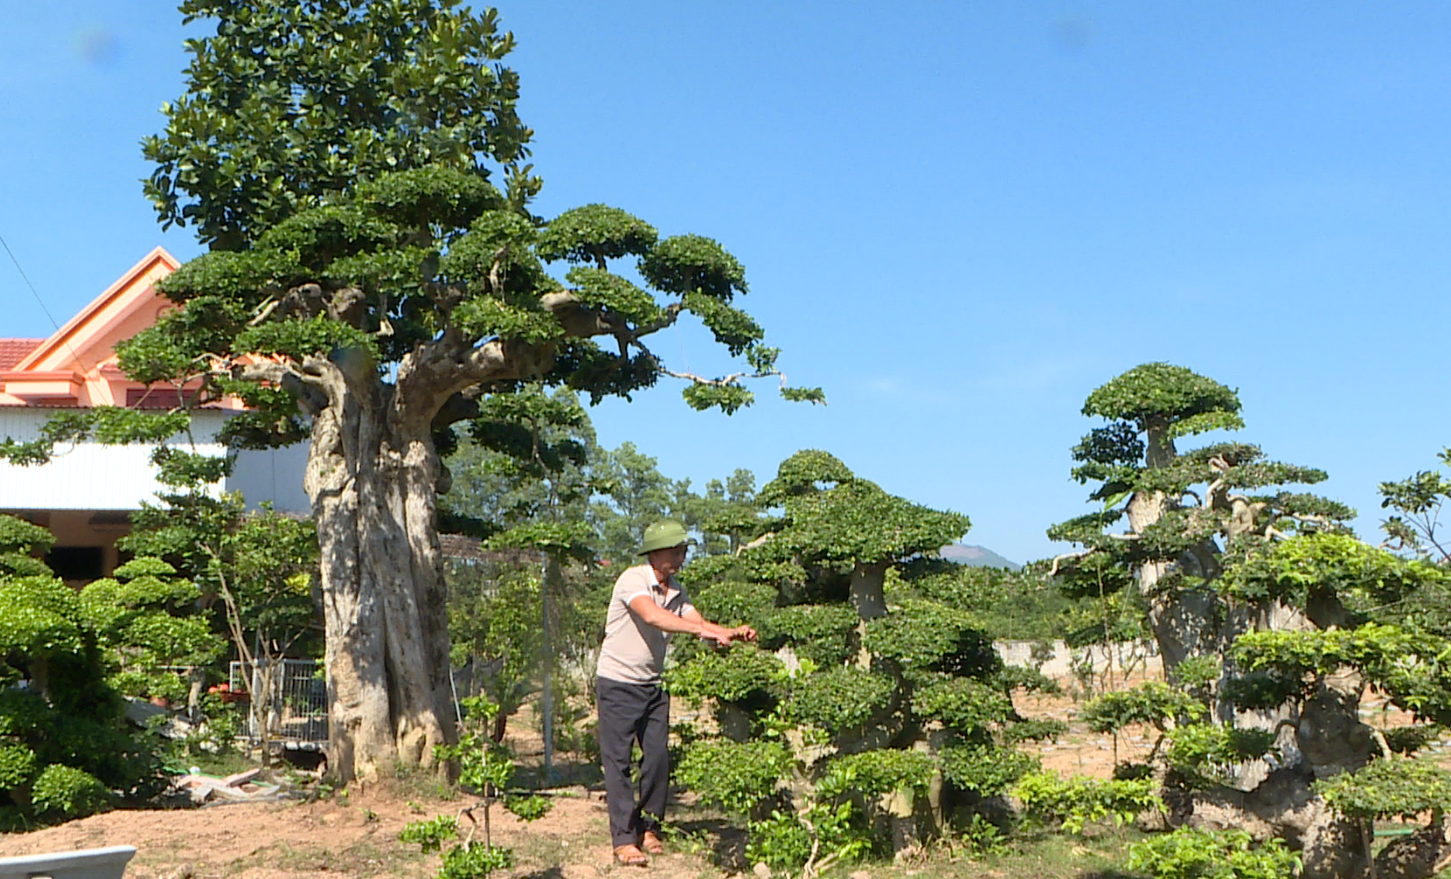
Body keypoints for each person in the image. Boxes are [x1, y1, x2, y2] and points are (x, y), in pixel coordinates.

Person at [596, 519, 757, 867]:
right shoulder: (632, 580)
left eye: (683, 550)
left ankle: (650, 828)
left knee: (657, 758)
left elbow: (696, 620)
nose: (681, 556)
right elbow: (653, 617)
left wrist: (727, 633)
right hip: (617, 685)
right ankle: (624, 839)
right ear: (656, 552)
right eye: (676, 550)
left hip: (652, 686)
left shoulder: (675, 589)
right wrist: (701, 630)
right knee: (618, 762)